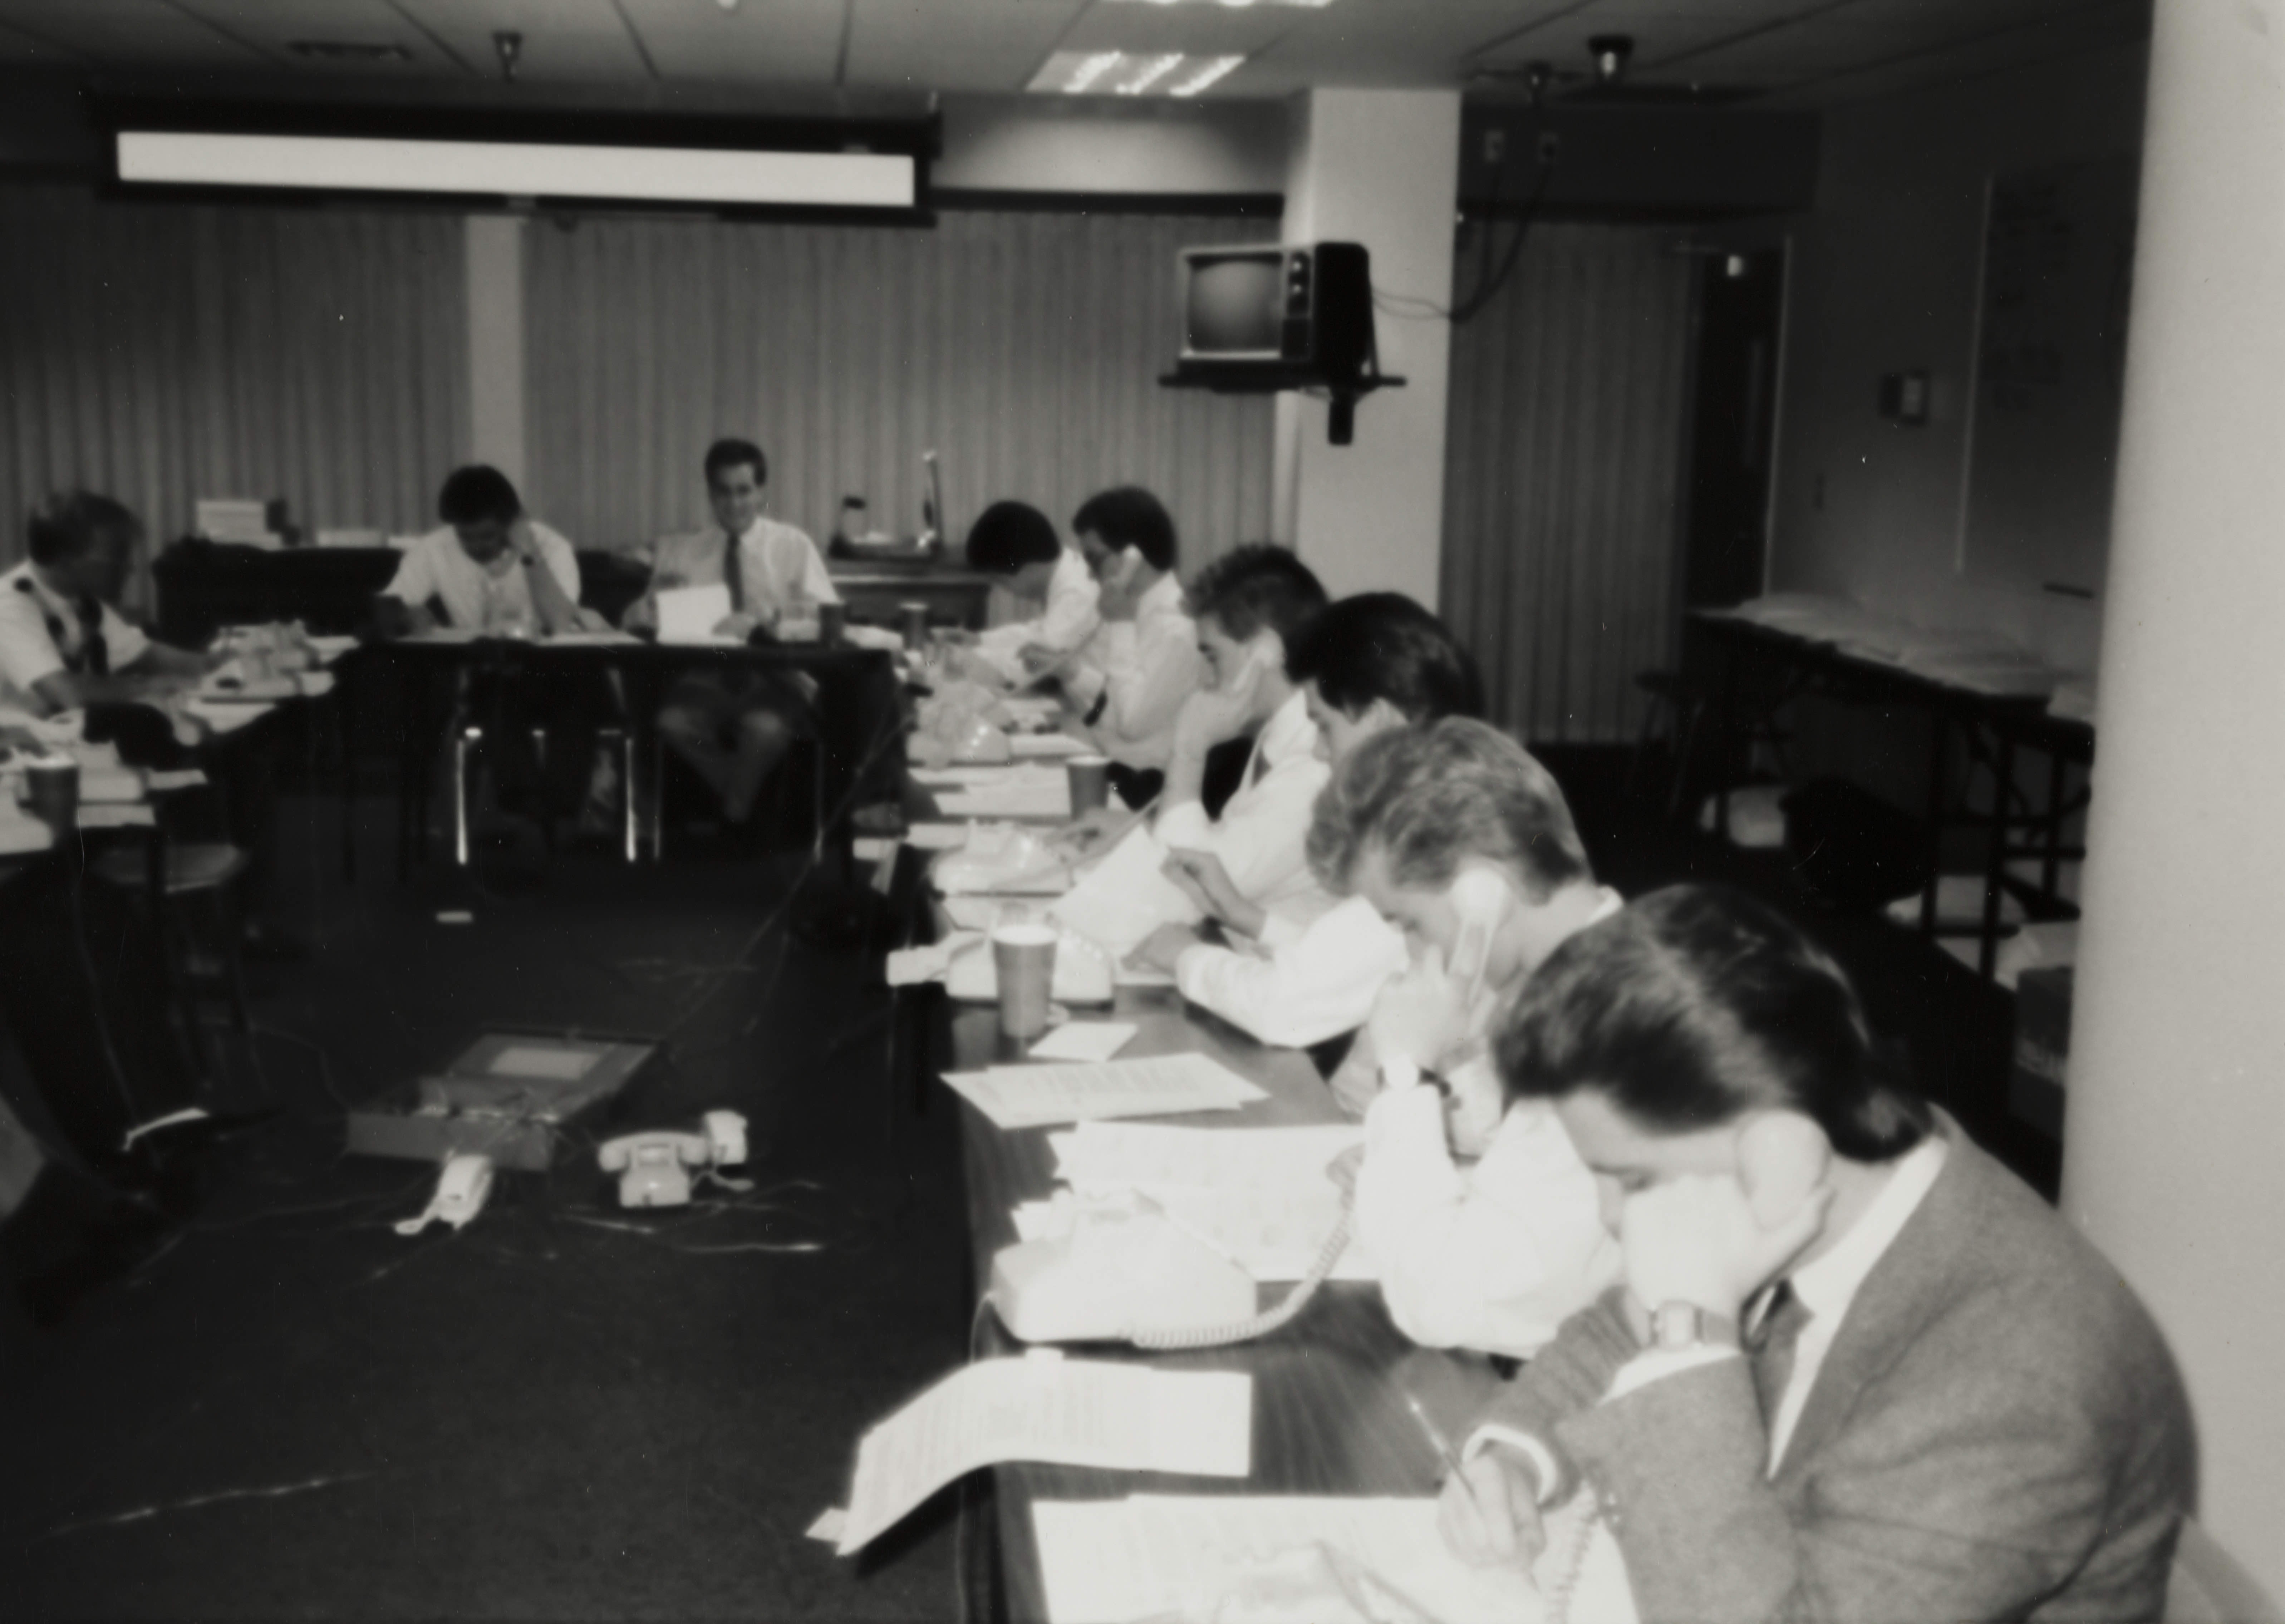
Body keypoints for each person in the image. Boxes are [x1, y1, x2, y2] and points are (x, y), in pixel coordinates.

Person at [1439, 885, 2193, 1621]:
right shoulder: (1843, 1183)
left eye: (1631, 1179)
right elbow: (1616, 1329)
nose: (1612, 1218)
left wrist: (1691, 1339)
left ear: (1781, 1152)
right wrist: (1514, 1457)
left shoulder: (2019, 1380)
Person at [1305, 718, 1625, 1358]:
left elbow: (1446, 1307)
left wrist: (1406, 1075)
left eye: (1411, 922)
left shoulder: (1602, 1026)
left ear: (1486, 893)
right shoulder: (1589, 978)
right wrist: (1428, 1164)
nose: (1410, 949)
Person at [1125, 594, 1484, 1053]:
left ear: (1377, 720)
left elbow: (1281, 1007)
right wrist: (1249, 919)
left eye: (1326, 727)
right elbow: (1359, 959)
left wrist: (1181, 955)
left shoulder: (1424, 847)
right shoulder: (1431, 813)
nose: (1318, 751)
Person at [376, 465, 612, 826]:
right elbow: (387, 605)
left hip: (558, 674)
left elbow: (559, 624)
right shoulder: (437, 548)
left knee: (577, 688)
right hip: (493, 676)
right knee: (496, 687)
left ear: (511, 521)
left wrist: (529, 554)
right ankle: (530, 807)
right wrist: (407, 615)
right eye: (466, 537)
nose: (477, 547)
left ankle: (554, 812)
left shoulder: (552, 547)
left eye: (487, 536)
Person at [624, 438, 839, 833]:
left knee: (765, 730)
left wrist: (764, 618)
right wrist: (653, 607)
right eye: (723, 492)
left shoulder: (792, 546)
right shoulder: (685, 552)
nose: (734, 504)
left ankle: (733, 814)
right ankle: (736, 798)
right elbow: (635, 619)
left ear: (762, 492)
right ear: (710, 493)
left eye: (744, 491)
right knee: (672, 723)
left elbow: (826, 617)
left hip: (776, 681)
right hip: (705, 679)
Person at [1140, 542, 1331, 920]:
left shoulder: (1314, 764)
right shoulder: (1275, 733)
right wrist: (1139, 831)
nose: (1209, 680)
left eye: (1213, 656)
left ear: (1266, 651)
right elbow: (1228, 838)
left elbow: (1191, 888)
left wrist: (1190, 749)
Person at [1, 491, 211, 717]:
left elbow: (147, 657)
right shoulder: (9, 604)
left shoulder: (81, 599)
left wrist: (225, 665)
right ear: (67, 558)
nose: (128, 567)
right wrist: (148, 687)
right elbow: (64, 693)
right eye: (117, 556)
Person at [1053, 487, 1203, 803]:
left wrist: (1121, 624)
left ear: (1134, 555)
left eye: (1095, 559)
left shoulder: (1177, 627)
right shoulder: (1136, 610)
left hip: (1144, 789)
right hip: (1112, 768)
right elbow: (1113, 704)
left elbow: (1132, 724)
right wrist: (1074, 673)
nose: (1092, 575)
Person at [958, 500, 1100, 687]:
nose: (1004, 590)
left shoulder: (1076, 593)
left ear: (1030, 569)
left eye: (1002, 581)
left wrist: (963, 658)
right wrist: (978, 641)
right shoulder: (1068, 569)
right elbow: (1036, 634)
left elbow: (1033, 664)